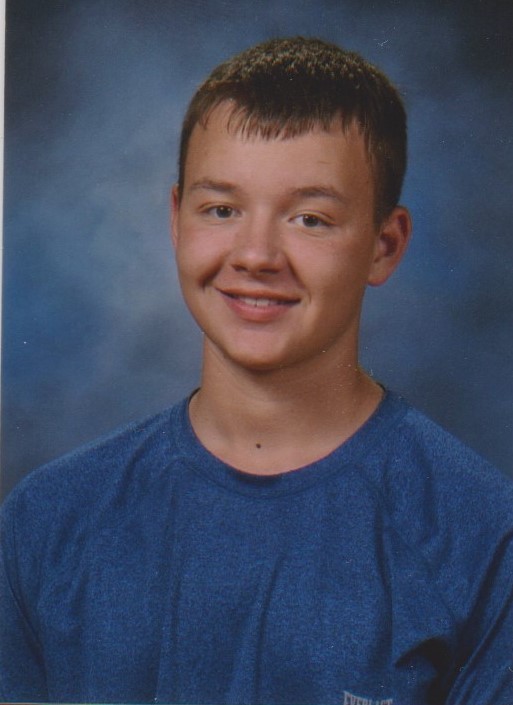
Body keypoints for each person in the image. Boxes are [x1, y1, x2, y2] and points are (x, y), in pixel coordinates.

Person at [1, 36, 512, 705]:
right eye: (221, 209)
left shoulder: (481, 534)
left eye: (310, 219)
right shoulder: (47, 518)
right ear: (176, 220)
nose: (255, 255)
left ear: (384, 246)